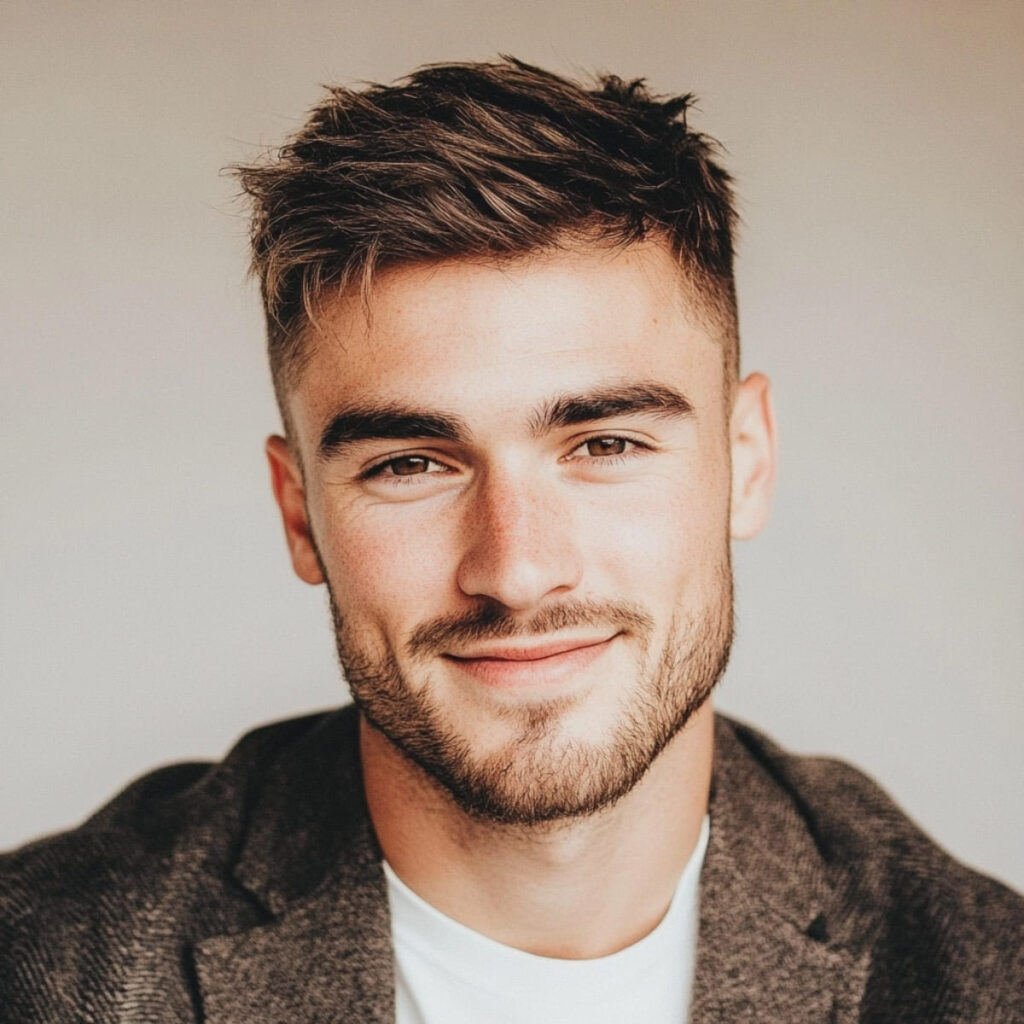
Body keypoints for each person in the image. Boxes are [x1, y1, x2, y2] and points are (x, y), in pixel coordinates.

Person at [1, 57, 1020, 1024]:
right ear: (299, 509)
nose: (518, 568)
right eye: (410, 464)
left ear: (746, 458)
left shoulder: (980, 977)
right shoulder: (48, 965)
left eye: (605, 443)